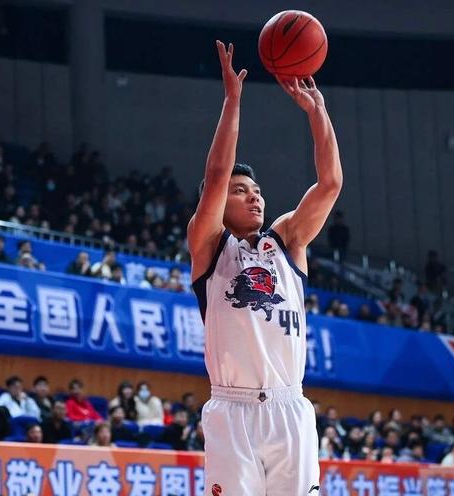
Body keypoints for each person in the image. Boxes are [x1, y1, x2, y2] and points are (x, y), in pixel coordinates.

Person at [187, 40, 342, 495]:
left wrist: (318, 113)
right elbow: (216, 176)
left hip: (289, 407)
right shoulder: (210, 246)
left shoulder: (287, 240)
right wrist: (232, 102)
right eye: (241, 191)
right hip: (231, 410)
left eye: (256, 190)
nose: (253, 196)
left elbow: (330, 183)